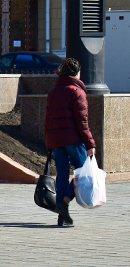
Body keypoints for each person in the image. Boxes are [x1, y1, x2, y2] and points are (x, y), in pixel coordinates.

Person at [46, 57, 96, 227]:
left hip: (56, 140)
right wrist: (90, 144)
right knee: (84, 174)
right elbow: (82, 121)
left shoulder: (53, 92)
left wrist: (49, 143)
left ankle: (61, 216)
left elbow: (48, 120)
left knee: (62, 175)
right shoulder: (76, 91)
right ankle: (64, 203)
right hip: (73, 140)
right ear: (76, 73)